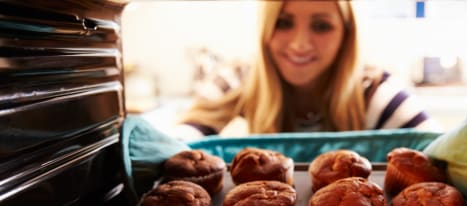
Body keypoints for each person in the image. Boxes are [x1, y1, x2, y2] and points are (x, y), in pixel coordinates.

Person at [176, 1, 440, 140]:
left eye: (321, 26)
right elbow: (178, 143)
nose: (300, 44)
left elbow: (440, 152)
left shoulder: (374, 91)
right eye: (283, 23)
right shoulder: (237, 78)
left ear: (346, 35)